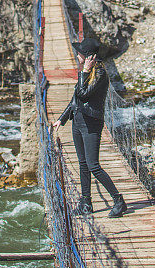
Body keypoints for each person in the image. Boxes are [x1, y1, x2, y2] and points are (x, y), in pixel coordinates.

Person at [51, 37, 127, 218]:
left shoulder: (99, 74)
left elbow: (83, 95)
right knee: (83, 164)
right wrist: (62, 119)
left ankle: (119, 200)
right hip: (78, 121)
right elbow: (75, 99)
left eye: (80, 53)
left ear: (88, 57)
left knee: (93, 165)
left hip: (91, 123)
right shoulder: (88, 71)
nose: (77, 55)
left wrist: (84, 72)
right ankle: (86, 203)